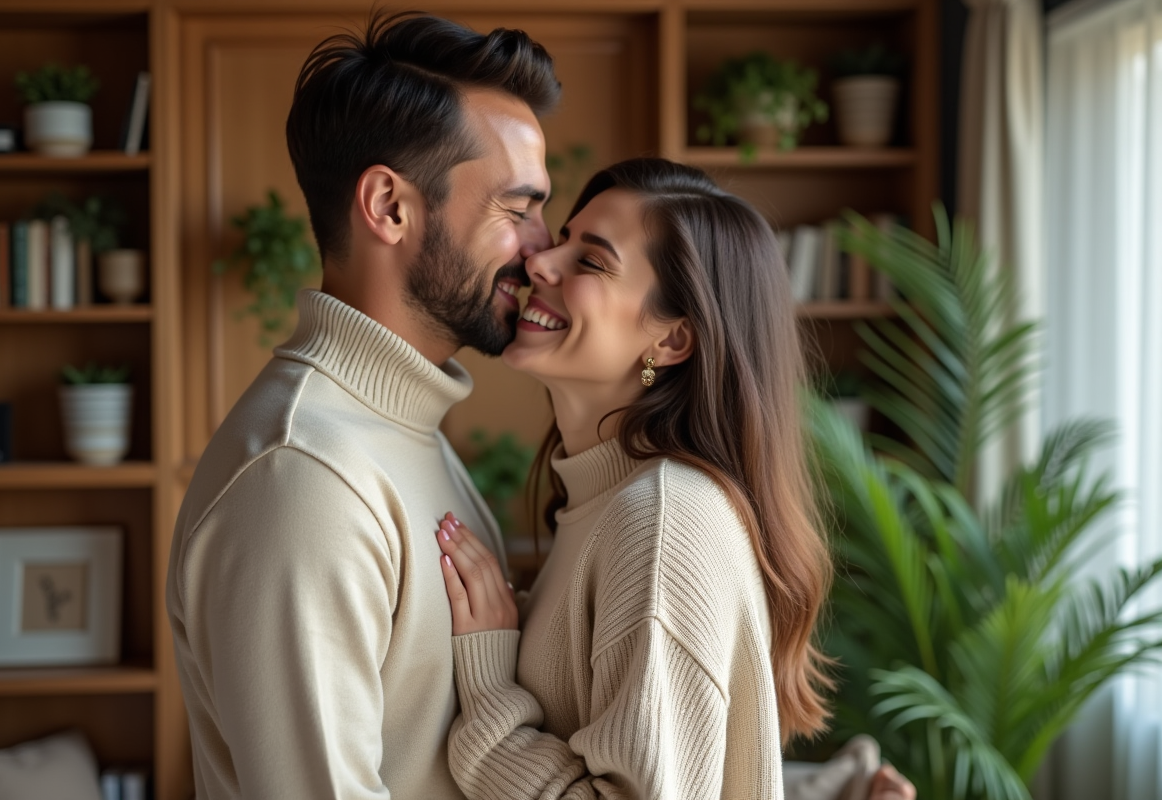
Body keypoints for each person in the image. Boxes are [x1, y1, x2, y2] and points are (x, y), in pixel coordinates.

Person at [166, 11, 915, 800]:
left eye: (560, 230)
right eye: (517, 209)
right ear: (389, 207)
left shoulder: (410, 439)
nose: (538, 252)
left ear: (674, 338)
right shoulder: (304, 481)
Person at [433, 158, 914, 800]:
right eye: (563, 238)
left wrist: (491, 694)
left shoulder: (661, 523)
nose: (540, 262)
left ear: (672, 340)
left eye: (591, 261)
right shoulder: (611, 504)